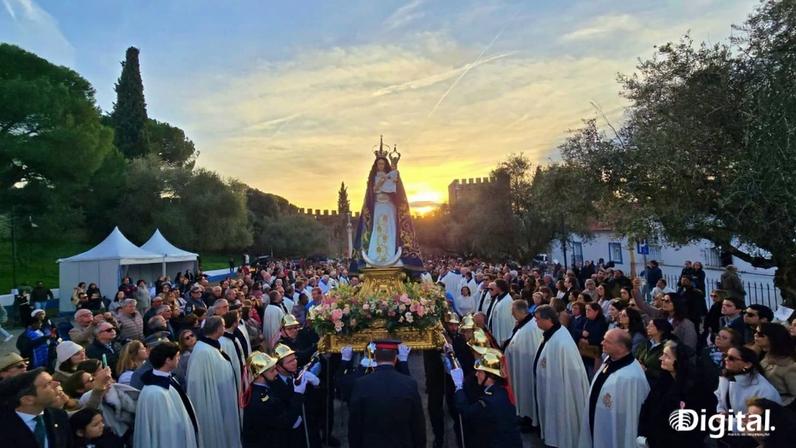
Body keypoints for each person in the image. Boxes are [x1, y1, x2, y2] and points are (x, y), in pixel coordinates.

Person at [579, 329, 650, 448]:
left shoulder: (632, 376)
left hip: (616, 426)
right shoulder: (610, 360)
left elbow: (631, 415)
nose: (602, 343)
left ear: (621, 347)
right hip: (598, 420)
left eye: (607, 341)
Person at [348, 339, 425, 448]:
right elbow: (417, 425)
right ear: (395, 358)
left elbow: (355, 425)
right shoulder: (409, 384)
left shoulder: (361, 384)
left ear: (375, 357)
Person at [533, 305, 589, 448]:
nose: (536, 322)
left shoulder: (561, 341)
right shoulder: (551, 334)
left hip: (561, 392)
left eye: (538, 319)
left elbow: (572, 373)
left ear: (548, 319)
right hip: (552, 388)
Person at [186, 316, 241, 448]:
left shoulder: (211, 347)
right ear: (218, 329)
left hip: (223, 401)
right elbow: (200, 386)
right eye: (222, 326)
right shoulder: (203, 352)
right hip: (215, 404)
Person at [638, 340, 705, 448]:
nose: (661, 358)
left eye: (667, 356)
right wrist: (643, 434)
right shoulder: (662, 381)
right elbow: (648, 407)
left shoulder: (693, 388)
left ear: (679, 361)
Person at [449, 350, 523, 448]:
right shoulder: (498, 390)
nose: (476, 374)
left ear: (490, 376)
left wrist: (458, 387)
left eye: (480, 372)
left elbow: (466, 412)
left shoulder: (489, 401)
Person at [134, 341, 199, 448]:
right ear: (168, 360)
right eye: (177, 356)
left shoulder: (169, 380)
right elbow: (165, 432)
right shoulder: (156, 393)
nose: (179, 359)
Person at [242, 351, 307, 448]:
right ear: (259, 375)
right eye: (272, 371)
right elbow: (285, 422)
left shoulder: (266, 386)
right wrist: (298, 395)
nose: (276, 373)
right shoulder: (259, 400)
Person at [0, 367, 72, 448]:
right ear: (28, 399)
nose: (57, 384)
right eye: (47, 384)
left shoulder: (59, 415)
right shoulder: (4, 428)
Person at [503, 298, 542, 429]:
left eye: (512, 311)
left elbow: (530, 349)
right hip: (519, 367)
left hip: (526, 369)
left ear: (518, 311)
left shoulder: (530, 328)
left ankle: (530, 419)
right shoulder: (522, 324)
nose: (512, 314)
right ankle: (524, 415)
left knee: (527, 394)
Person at [715, 346, 781, 414]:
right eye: (725, 355)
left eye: (731, 358)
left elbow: (758, 419)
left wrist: (732, 422)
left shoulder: (763, 389)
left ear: (748, 364)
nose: (726, 359)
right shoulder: (726, 377)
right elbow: (720, 396)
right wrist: (721, 411)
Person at [754, 323, 796, 409]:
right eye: (756, 332)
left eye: (760, 334)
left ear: (773, 338)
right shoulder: (763, 355)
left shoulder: (789, 366)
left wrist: (779, 408)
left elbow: (794, 395)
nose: (755, 335)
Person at [634, 319, 675, 386]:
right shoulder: (646, 343)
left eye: (651, 326)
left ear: (661, 330)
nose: (647, 327)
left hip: (656, 384)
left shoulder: (667, 348)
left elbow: (666, 372)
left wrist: (647, 370)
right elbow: (636, 356)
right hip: (639, 378)